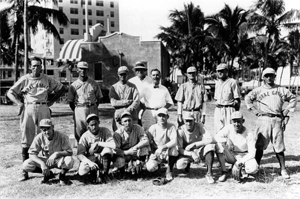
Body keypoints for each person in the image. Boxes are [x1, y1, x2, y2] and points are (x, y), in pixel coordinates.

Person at [7, 56, 65, 181]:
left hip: (43, 107)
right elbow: (10, 92)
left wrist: (51, 101)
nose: (35, 68)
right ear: (30, 67)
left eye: (38, 65)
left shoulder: (46, 79)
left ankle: (45, 169)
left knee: (45, 137)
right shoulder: (25, 79)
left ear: (41, 67)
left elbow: (61, 88)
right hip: (29, 108)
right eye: (33, 66)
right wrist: (19, 103)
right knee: (26, 138)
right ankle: (25, 171)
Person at [245, 67, 296, 179]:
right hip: (263, 119)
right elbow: (247, 98)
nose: (269, 78)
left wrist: (286, 111)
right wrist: (254, 110)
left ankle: (283, 169)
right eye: (266, 76)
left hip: (277, 119)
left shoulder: (281, 89)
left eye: (271, 75)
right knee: (260, 146)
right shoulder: (258, 90)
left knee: (279, 146)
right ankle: (256, 168)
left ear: (274, 77)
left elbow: (293, 98)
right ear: (263, 77)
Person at [22, 119, 74, 185]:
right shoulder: (39, 137)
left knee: (69, 161)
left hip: (59, 160)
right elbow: (32, 154)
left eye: (48, 129)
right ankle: (48, 174)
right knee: (26, 164)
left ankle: (62, 176)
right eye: (44, 130)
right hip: (46, 161)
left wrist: (57, 154)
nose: (47, 132)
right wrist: (41, 163)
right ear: (41, 130)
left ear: (53, 127)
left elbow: (70, 152)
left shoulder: (62, 136)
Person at [215, 111, 258, 182]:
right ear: (231, 121)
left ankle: (242, 169)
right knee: (218, 145)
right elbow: (215, 137)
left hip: (244, 155)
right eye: (234, 122)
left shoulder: (249, 133)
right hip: (231, 155)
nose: (236, 124)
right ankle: (224, 172)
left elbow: (252, 153)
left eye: (239, 121)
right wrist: (226, 139)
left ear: (243, 121)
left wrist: (240, 162)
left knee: (253, 168)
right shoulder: (228, 128)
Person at [176, 112, 216, 184]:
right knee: (180, 165)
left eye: (190, 120)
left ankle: (209, 173)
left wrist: (195, 144)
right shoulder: (180, 130)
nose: (189, 123)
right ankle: (187, 164)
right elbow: (180, 149)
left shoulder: (200, 125)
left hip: (199, 150)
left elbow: (210, 139)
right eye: (186, 121)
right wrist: (191, 153)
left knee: (210, 147)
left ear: (194, 120)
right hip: (187, 152)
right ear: (183, 121)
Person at [68, 61, 103, 142]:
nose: (83, 71)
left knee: (93, 128)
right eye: (81, 69)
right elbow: (70, 101)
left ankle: (93, 148)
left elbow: (99, 98)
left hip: (92, 107)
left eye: (85, 69)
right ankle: (81, 149)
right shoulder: (74, 85)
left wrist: (93, 106)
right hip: (80, 108)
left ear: (87, 70)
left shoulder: (93, 83)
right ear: (77, 70)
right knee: (80, 130)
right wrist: (77, 110)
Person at [77, 114, 116, 184]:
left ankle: (105, 174)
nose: (94, 127)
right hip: (91, 159)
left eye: (96, 124)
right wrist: (90, 162)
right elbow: (80, 154)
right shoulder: (85, 136)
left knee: (108, 150)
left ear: (99, 123)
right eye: (91, 125)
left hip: (103, 157)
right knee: (82, 171)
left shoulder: (105, 131)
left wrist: (98, 143)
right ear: (88, 125)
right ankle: (93, 175)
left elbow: (113, 145)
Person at [113, 111, 149, 179]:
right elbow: (115, 150)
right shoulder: (117, 133)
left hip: (135, 151)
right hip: (124, 154)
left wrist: (135, 147)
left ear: (132, 120)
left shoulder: (138, 127)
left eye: (129, 120)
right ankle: (122, 173)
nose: (128, 123)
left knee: (144, 149)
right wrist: (127, 152)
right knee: (119, 161)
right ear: (121, 123)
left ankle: (139, 172)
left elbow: (145, 140)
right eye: (125, 121)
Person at [145, 108, 178, 181]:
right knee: (150, 168)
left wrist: (163, 147)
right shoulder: (153, 127)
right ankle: (158, 167)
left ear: (167, 117)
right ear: (156, 117)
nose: (162, 118)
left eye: (164, 116)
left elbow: (174, 141)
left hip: (167, 151)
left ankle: (169, 170)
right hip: (157, 152)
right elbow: (147, 142)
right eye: (159, 116)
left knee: (174, 149)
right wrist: (150, 153)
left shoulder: (171, 126)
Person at [109, 66, 140, 131]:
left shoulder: (132, 86)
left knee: (133, 133)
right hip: (119, 114)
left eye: (124, 74)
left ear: (127, 74)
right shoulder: (114, 87)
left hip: (131, 113)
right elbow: (113, 103)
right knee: (120, 133)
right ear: (118, 74)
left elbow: (136, 101)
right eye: (121, 74)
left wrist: (128, 110)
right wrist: (127, 102)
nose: (123, 76)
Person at [214, 63, 241, 133]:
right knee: (218, 131)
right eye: (218, 71)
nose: (220, 73)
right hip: (219, 109)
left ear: (226, 71)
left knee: (230, 131)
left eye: (222, 71)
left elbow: (237, 99)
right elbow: (216, 98)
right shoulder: (217, 83)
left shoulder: (233, 82)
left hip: (229, 109)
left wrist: (236, 113)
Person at [128, 61, 153, 126]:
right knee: (136, 123)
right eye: (137, 70)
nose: (140, 71)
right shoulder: (131, 81)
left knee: (147, 123)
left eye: (141, 70)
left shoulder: (150, 80)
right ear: (135, 71)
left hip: (147, 104)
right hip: (136, 104)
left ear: (145, 71)